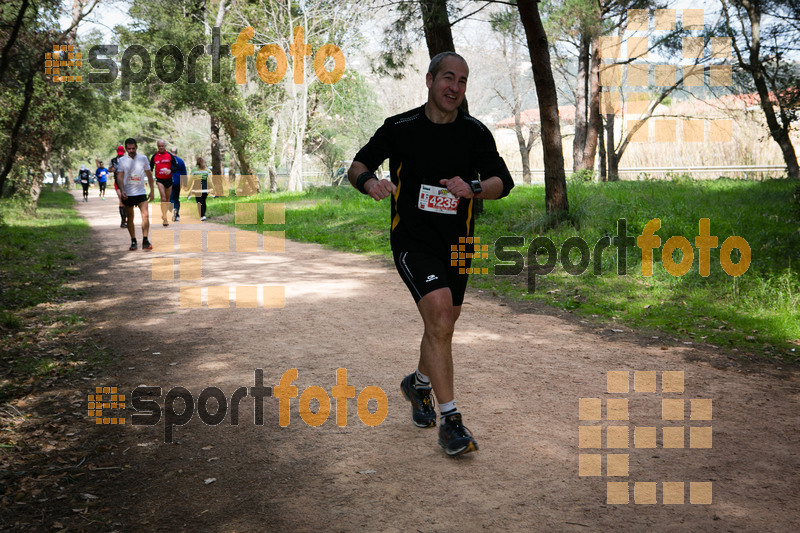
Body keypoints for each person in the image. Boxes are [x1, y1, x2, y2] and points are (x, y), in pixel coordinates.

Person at [347, 52, 514, 457]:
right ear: (429, 80)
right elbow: (358, 164)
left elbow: (503, 181)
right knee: (439, 315)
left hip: (458, 244)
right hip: (413, 239)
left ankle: (417, 384)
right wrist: (370, 183)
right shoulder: (400, 127)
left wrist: (474, 188)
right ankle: (451, 421)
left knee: (445, 324)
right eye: (448, 78)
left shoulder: (475, 132)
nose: (454, 87)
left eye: (462, 81)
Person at [116, 137, 155, 251]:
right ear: (126, 149)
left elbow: (149, 174)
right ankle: (133, 240)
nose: (131, 150)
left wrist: (152, 190)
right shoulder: (122, 160)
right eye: (129, 149)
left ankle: (145, 240)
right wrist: (122, 190)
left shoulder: (143, 158)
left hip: (141, 192)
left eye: (133, 148)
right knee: (130, 217)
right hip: (128, 193)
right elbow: (120, 176)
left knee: (145, 215)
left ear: (136, 147)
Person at [149, 139, 179, 226]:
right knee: (163, 198)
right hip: (160, 179)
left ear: (165, 146)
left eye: (162, 146)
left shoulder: (170, 155)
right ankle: (165, 217)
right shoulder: (154, 156)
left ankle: (164, 214)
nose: (161, 147)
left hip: (169, 179)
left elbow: (176, 167)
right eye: (159, 146)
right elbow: (150, 168)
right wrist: (150, 175)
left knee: (168, 199)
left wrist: (170, 170)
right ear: (157, 146)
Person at [109, 146, 127, 227]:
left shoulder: (128, 159)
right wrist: (111, 169)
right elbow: (109, 169)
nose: (120, 155)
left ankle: (127, 219)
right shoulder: (113, 161)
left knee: (127, 201)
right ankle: (123, 221)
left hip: (127, 182)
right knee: (121, 200)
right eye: (119, 153)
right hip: (117, 182)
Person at [189, 156, 210, 221]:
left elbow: (191, 179)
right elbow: (210, 179)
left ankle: (202, 215)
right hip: (205, 186)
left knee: (199, 201)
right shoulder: (206, 169)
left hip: (197, 186)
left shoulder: (194, 170)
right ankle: (203, 214)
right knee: (203, 201)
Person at [170, 150, 187, 222]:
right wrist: (185, 184)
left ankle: (173, 212)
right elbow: (184, 173)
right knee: (176, 198)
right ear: (177, 152)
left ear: (170, 152)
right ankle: (176, 213)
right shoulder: (181, 161)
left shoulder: (168, 161)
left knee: (170, 198)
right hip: (178, 182)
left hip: (169, 182)